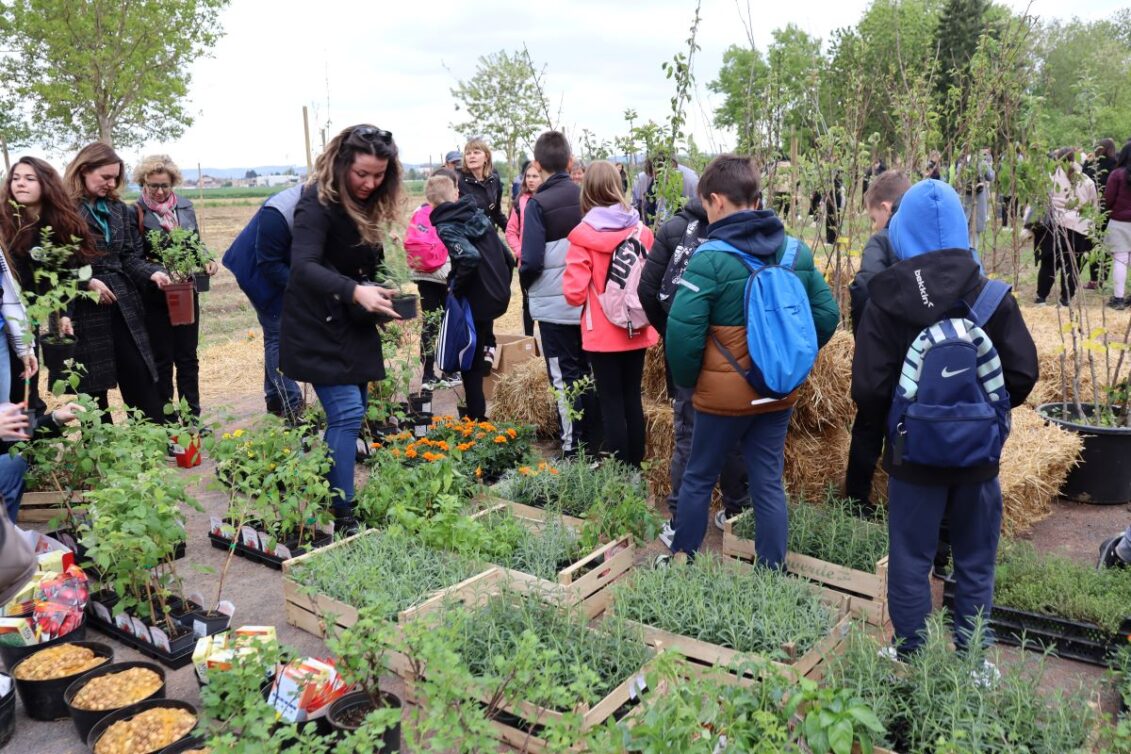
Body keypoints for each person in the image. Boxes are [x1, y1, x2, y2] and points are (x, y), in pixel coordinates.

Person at [852, 178, 1038, 659]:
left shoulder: (884, 301)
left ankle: (910, 653)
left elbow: (868, 390)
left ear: (902, 231)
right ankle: (973, 659)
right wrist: (979, 417)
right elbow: (1022, 374)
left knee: (911, 559)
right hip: (979, 460)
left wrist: (905, 422)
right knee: (976, 559)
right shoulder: (993, 298)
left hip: (913, 458)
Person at [663, 154, 840, 566]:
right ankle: (770, 574)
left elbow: (681, 333)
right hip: (778, 393)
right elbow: (827, 316)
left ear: (716, 201)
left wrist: (691, 384)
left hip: (721, 399)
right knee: (768, 481)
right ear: (756, 198)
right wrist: (793, 363)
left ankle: (682, 562)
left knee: (699, 477)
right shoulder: (795, 253)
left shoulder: (709, 259)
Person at [279, 124, 403, 536]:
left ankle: (338, 497)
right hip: (317, 323)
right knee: (347, 415)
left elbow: (365, 262)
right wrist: (355, 292)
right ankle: (343, 515)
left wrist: (381, 292)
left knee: (354, 414)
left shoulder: (365, 205)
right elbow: (304, 266)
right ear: (342, 163)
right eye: (362, 174)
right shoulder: (316, 202)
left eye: (379, 175)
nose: (370, 183)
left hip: (350, 323)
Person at [639, 187, 748, 543]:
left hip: (685, 352)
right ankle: (737, 511)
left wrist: (672, 333)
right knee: (733, 432)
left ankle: (680, 523)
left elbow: (648, 290)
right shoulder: (745, 232)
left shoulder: (673, 228)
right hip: (734, 355)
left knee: (688, 434)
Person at [562, 161, 658, 467]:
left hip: (601, 333)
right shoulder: (642, 231)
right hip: (637, 326)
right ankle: (636, 469)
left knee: (611, 402)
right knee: (633, 398)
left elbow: (573, 293)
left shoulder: (581, 236)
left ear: (586, 190)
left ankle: (619, 473)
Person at [65, 142, 167, 422]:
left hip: (122, 301)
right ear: (84, 170)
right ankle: (103, 454)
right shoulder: (64, 211)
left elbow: (130, 257)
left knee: (139, 374)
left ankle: (150, 443)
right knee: (92, 386)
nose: (111, 184)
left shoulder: (121, 210)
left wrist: (151, 272)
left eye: (115, 178)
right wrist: (87, 282)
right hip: (83, 308)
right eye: (105, 177)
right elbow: (54, 267)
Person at [520, 131, 599, 457]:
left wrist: (527, 286)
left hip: (554, 307)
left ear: (538, 164)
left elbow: (531, 261)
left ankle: (572, 450)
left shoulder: (538, 204)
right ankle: (595, 445)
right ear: (569, 162)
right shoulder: (586, 199)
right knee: (587, 373)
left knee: (563, 378)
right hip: (588, 305)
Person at [845, 170, 912, 515]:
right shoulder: (930, 234)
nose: (874, 224)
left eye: (874, 217)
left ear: (885, 207)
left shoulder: (883, 241)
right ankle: (903, 503)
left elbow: (863, 289)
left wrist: (866, 337)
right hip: (921, 356)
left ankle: (856, 501)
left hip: (885, 353)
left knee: (869, 424)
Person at [133, 155, 217, 420]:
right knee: (162, 359)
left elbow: (195, 243)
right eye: (153, 186)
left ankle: (192, 417)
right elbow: (133, 257)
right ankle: (168, 421)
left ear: (173, 184)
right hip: (155, 295)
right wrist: (155, 272)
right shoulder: (135, 212)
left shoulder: (185, 207)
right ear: (143, 183)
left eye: (164, 186)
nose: (159, 191)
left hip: (185, 289)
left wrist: (206, 259)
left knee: (188, 357)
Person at [431, 173, 515, 420]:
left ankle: (476, 416)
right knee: (479, 351)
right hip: (494, 295)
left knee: (469, 359)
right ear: (456, 193)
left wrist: (456, 288)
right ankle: (477, 412)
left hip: (474, 299)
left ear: (431, 204)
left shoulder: (447, 224)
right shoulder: (478, 215)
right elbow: (508, 257)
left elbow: (468, 257)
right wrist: (500, 285)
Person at [222, 184, 305, 419]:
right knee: (278, 333)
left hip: (271, 267)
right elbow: (268, 263)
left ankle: (274, 399)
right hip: (257, 270)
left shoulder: (313, 200)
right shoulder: (282, 209)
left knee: (274, 334)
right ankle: (292, 404)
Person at [405, 171, 457, 391]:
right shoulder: (451, 212)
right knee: (449, 324)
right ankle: (449, 371)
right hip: (443, 274)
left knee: (430, 323)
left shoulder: (419, 211)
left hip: (422, 274)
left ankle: (427, 375)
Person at [1034, 148, 1098, 306]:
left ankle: (1041, 297)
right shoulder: (1087, 180)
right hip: (1078, 227)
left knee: (1049, 263)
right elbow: (1094, 207)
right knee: (1071, 264)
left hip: (1054, 225)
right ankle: (1066, 299)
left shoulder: (1050, 178)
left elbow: (1039, 203)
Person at [506, 161, 541, 337]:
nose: (531, 180)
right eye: (528, 176)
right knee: (527, 302)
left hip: (546, 262)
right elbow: (511, 231)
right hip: (525, 263)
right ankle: (529, 343)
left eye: (535, 176)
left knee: (544, 304)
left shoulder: (548, 199)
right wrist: (521, 252)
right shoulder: (520, 202)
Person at [1084, 138, 1119, 290]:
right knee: (1107, 246)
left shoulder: (1091, 164)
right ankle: (1103, 278)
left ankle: (1093, 279)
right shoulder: (1116, 165)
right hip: (1110, 210)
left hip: (1092, 209)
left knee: (1094, 244)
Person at [456, 139, 507, 232]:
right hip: (468, 237)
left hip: (490, 235)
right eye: (468, 153)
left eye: (476, 152)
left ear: (486, 157)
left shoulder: (494, 179)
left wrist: (510, 230)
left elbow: (496, 213)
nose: (472, 156)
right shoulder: (458, 181)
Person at [1104, 142, 1131, 310]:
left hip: (1119, 221)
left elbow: (1108, 199)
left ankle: (1118, 298)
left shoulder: (1116, 174)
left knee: (1120, 260)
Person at [954, 150, 995, 251]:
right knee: (974, 236)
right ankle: (971, 258)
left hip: (965, 204)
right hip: (977, 204)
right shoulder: (982, 162)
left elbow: (957, 182)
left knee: (964, 233)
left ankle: (966, 258)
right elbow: (991, 176)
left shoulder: (961, 164)